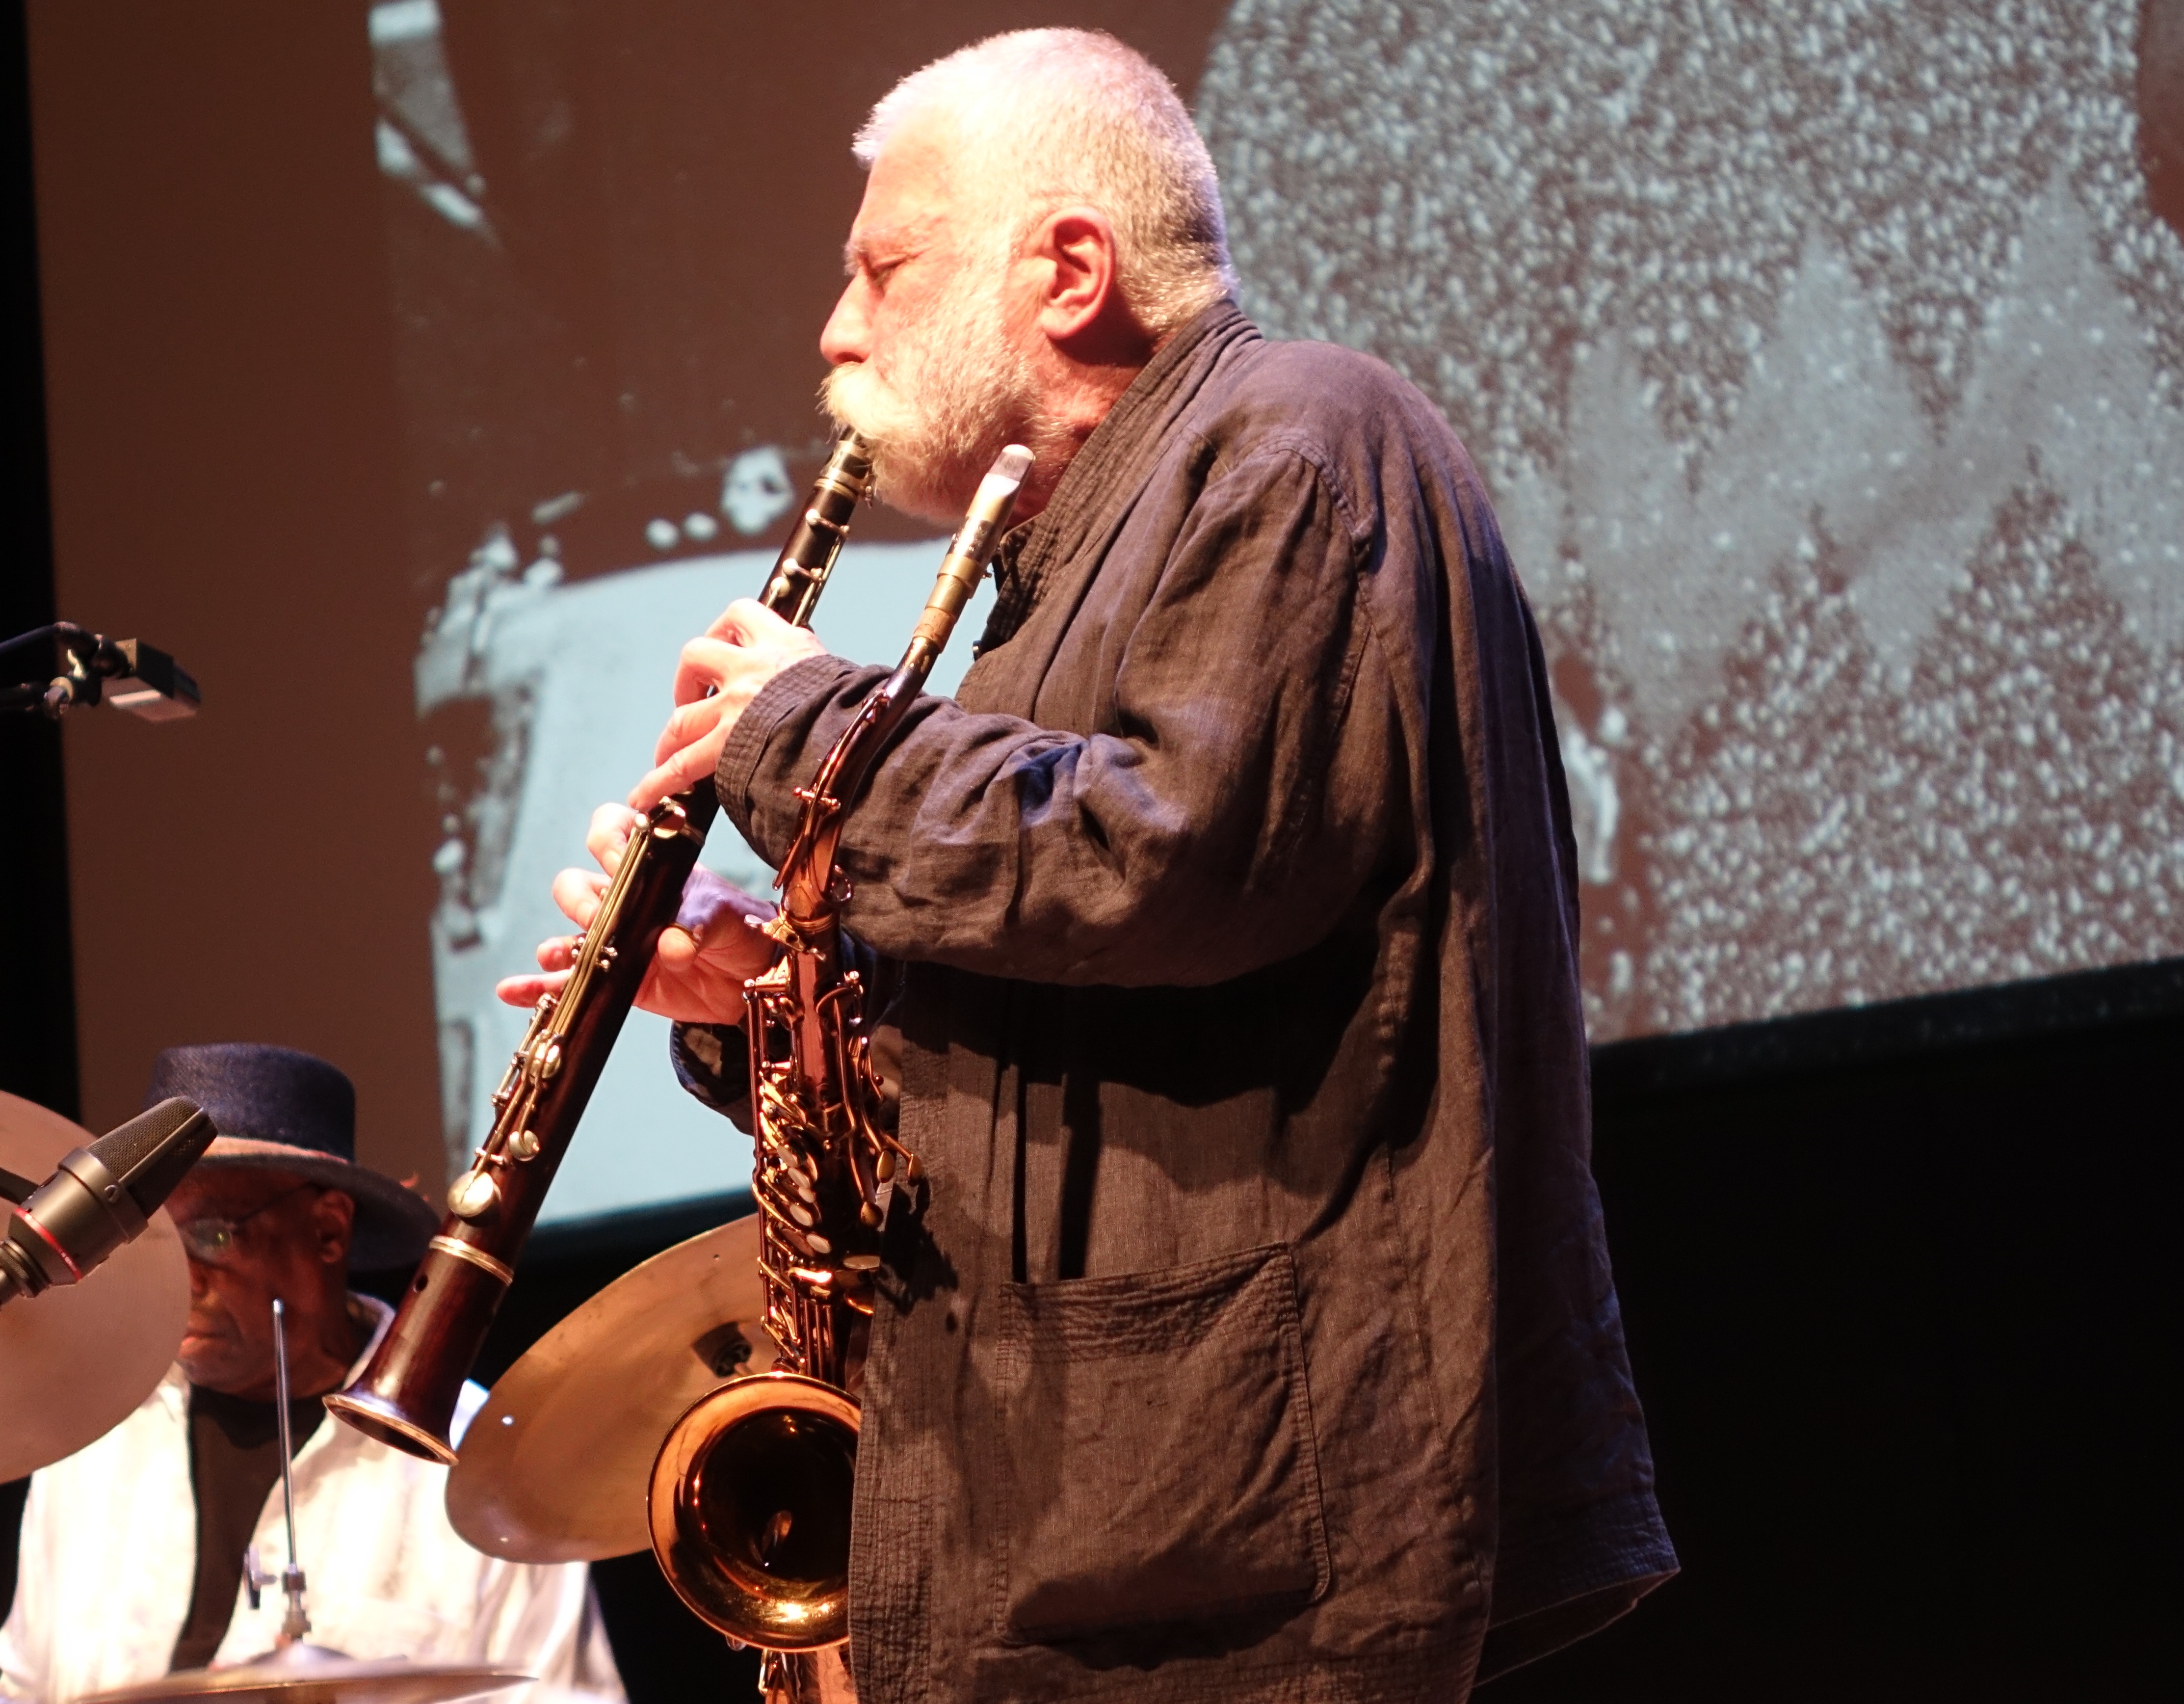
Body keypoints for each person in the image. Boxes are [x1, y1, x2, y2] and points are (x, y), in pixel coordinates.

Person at [499, 27, 1676, 1704]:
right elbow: (1059, 1016)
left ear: (1067, 266)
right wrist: (769, 992)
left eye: (882, 272)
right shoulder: (1061, 580)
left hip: (1244, 1522)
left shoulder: (1300, 435)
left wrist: (808, 733)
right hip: (1112, 1525)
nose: (835, 333)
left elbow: (1170, 859)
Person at [0, 1044, 620, 1704]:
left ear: (326, 1230)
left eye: (211, 1236)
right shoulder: (94, 1432)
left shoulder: (475, 1456)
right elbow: (25, 1688)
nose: (183, 1278)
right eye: (156, 1242)